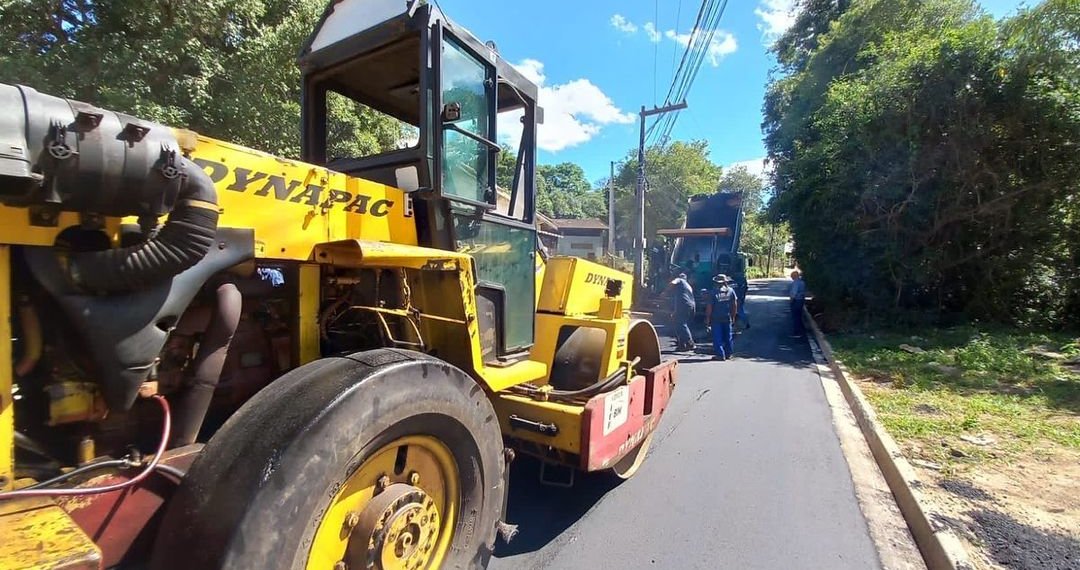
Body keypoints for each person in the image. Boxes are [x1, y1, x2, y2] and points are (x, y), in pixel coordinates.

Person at [705, 274, 738, 361]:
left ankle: (720, 355)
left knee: (717, 338)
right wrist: (733, 316)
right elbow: (734, 305)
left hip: (716, 319)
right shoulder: (731, 291)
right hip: (727, 317)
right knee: (728, 337)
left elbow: (709, 307)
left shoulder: (713, 293)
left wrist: (708, 319)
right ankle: (728, 354)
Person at [663, 272, 696, 351]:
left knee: (681, 323)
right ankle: (682, 345)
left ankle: (690, 343)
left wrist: (665, 292)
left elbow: (672, 283)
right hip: (691, 306)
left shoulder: (680, 280)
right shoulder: (688, 286)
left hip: (684, 305)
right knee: (679, 323)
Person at [788, 269, 807, 337]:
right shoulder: (802, 282)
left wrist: (791, 301)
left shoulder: (796, 283)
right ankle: (802, 330)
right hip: (801, 300)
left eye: (792, 276)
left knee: (795, 317)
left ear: (795, 276)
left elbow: (794, 293)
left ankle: (797, 332)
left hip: (796, 301)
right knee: (799, 316)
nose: (791, 277)